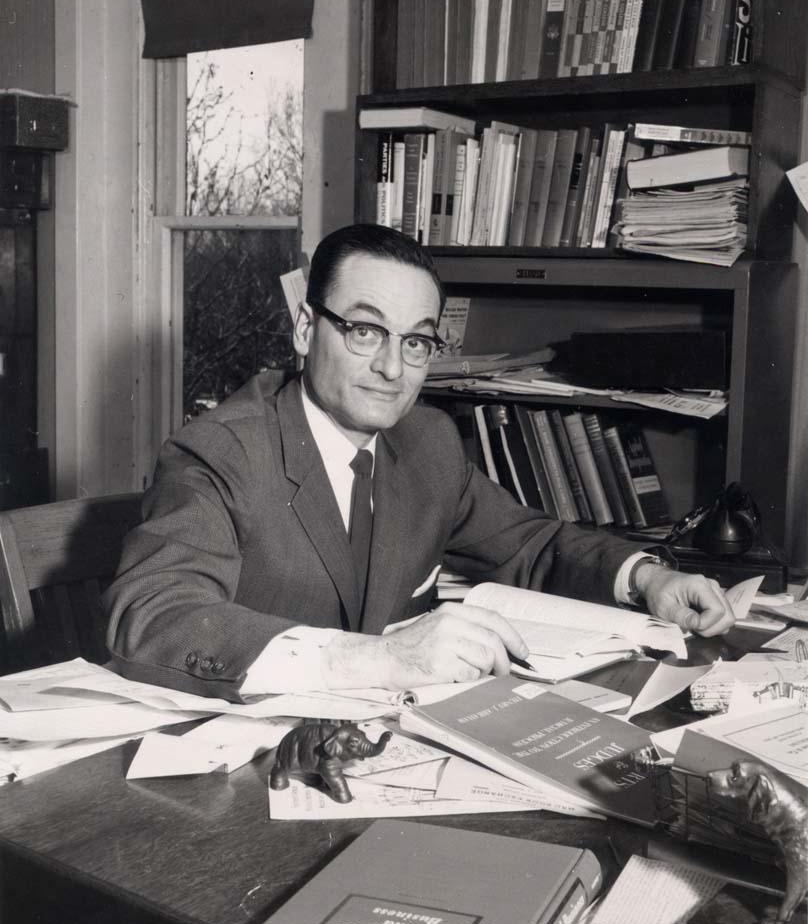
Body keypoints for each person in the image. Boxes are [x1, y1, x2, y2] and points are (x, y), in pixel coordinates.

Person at [104, 224, 735, 701]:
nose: (392, 368)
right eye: (365, 331)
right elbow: (153, 615)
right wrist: (377, 659)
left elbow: (531, 543)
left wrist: (649, 579)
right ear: (304, 329)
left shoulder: (426, 441)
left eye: (416, 341)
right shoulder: (220, 453)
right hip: (238, 760)